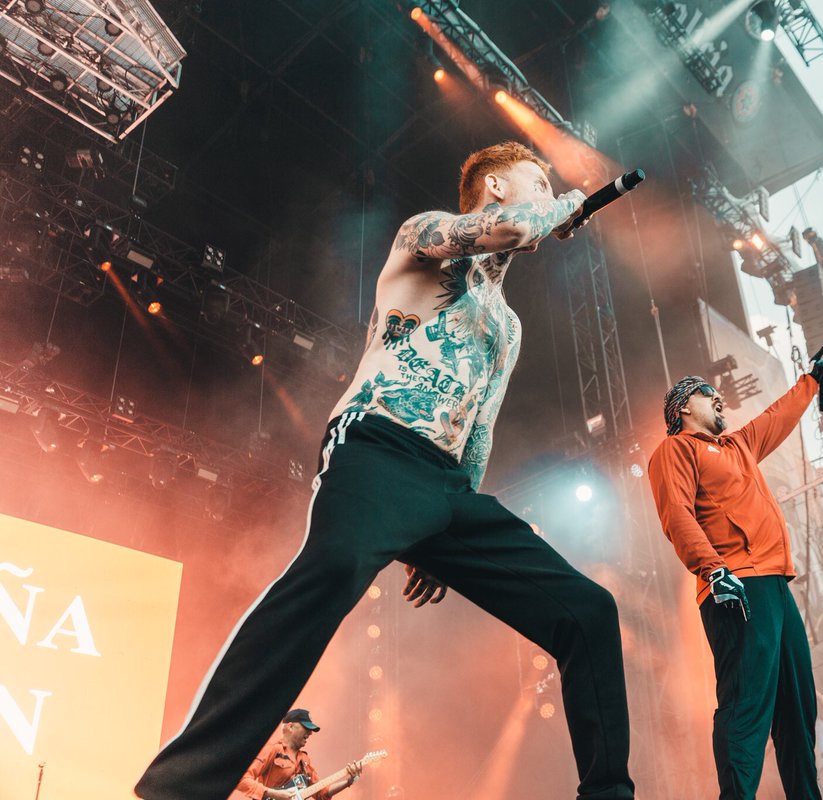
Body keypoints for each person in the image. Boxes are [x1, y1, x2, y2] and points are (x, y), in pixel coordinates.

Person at [136, 142, 635, 800]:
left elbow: (479, 425)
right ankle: (180, 786)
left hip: (447, 489)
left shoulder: (508, 328)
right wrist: (566, 204)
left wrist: (446, 527)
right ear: (493, 187)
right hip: (375, 444)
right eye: (534, 182)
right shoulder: (425, 238)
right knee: (331, 574)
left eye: (550, 188)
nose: (545, 194)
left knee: (588, 610)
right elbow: (515, 227)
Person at [647, 361, 823, 800]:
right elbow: (676, 514)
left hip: (774, 585)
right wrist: (712, 568)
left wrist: (810, 381)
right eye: (707, 391)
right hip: (735, 583)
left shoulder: (739, 446)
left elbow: (776, 418)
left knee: (798, 709)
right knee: (746, 706)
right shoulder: (676, 450)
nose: (719, 397)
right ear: (684, 407)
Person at [235, 709, 362, 800]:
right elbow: (241, 780)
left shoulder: (304, 760)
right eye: (306, 728)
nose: (310, 733)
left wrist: (348, 781)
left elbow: (322, 793)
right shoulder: (273, 749)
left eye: (311, 730)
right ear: (290, 727)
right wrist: (274, 794)